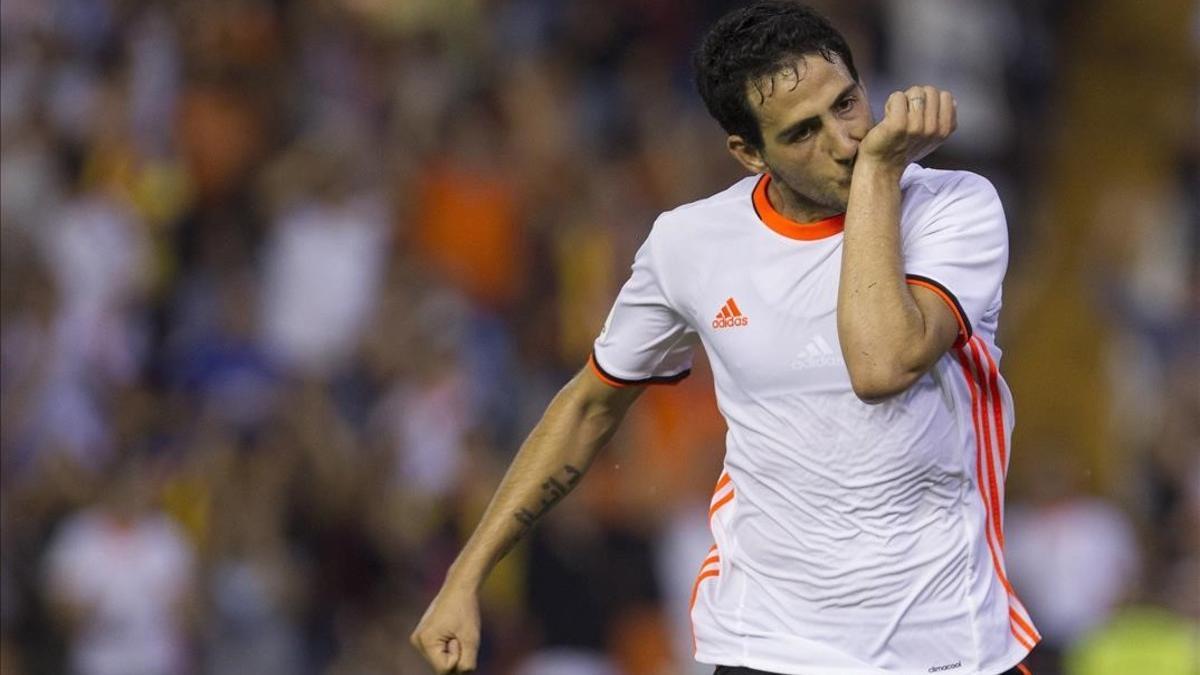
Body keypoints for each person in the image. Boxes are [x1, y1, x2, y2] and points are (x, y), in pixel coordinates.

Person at [411, 2, 1039, 674]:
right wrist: (465, 575)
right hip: (763, 645)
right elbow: (589, 406)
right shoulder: (690, 244)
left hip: (950, 648)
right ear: (747, 153)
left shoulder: (956, 206)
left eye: (848, 104)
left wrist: (881, 176)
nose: (845, 141)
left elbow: (881, 362)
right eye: (802, 132)